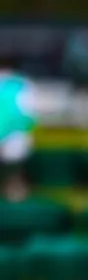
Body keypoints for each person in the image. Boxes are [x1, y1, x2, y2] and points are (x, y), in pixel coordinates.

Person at [0, 56, 35, 202]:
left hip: (14, 139)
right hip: (15, 139)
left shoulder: (21, 84)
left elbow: (29, 115)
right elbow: (30, 115)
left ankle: (15, 192)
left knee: (13, 172)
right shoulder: (23, 84)